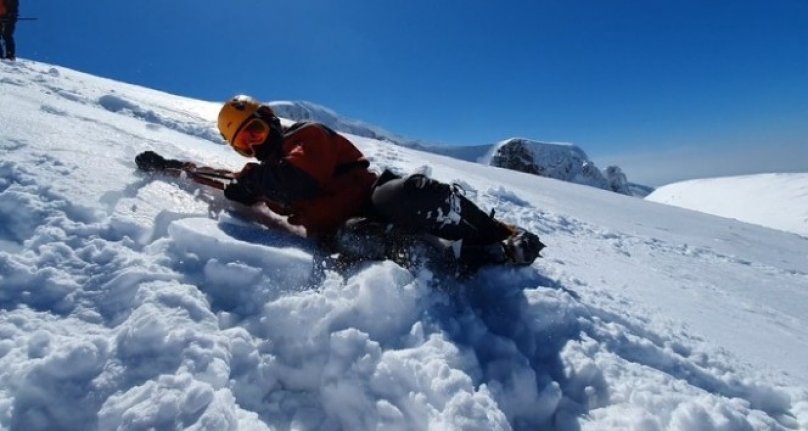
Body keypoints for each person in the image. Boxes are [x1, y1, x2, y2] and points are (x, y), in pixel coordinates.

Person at [215, 95, 545, 269]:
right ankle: (455, 264)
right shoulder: (265, 175)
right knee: (363, 240)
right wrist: (241, 188)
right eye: (244, 145)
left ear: (270, 120)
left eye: (254, 132)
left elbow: (299, 180)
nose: (255, 145)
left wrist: (253, 183)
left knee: (411, 194)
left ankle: (500, 234)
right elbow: (252, 182)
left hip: (372, 197)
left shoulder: (306, 136)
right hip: (342, 229)